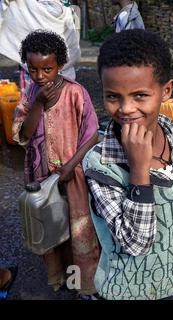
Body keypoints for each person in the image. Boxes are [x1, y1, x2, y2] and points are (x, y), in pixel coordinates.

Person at [82, 29, 173, 300]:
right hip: (125, 291)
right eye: (113, 96)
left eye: (140, 95)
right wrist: (139, 171)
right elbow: (135, 243)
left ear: (166, 91)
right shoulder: (100, 164)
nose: (126, 108)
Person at [12, 30, 100, 299]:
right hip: (40, 177)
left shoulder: (76, 93)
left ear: (60, 66)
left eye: (47, 69)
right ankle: (59, 278)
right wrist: (38, 103)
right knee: (49, 228)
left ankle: (82, 284)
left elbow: (92, 132)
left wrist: (71, 165)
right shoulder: (30, 95)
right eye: (33, 69)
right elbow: (22, 135)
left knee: (77, 228)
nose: (40, 76)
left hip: (72, 176)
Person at [0, 0, 80, 98]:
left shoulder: (65, 9)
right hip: (41, 67)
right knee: (34, 100)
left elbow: (71, 41)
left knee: (35, 100)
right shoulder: (65, 8)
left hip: (48, 68)